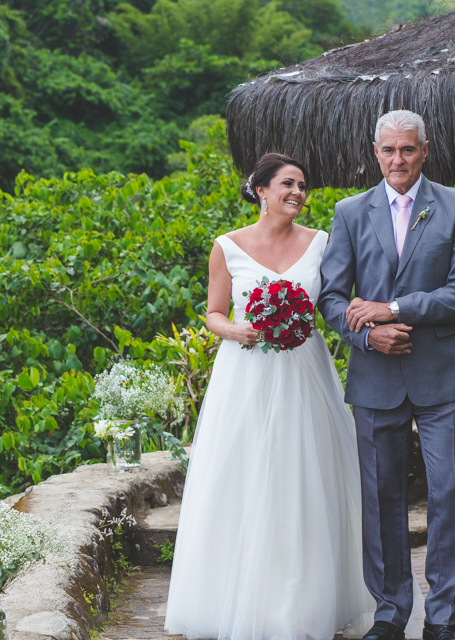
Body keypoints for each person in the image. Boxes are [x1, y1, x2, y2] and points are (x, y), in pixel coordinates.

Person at [165, 152, 424, 640]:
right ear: (261, 190)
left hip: (306, 373)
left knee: (308, 479)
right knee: (245, 481)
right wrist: (236, 331)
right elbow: (213, 313)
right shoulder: (227, 246)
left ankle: (306, 604)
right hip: (246, 376)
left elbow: (332, 301)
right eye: (288, 184)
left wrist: (372, 316)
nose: (298, 194)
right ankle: (242, 601)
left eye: (303, 186)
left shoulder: (321, 242)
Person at [319, 110, 455, 640]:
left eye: (408, 150)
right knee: (381, 494)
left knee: (446, 492)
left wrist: (391, 308)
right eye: (389, 151)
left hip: (443, 374)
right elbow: (330, 298)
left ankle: (442, 619)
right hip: (375, 375)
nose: (398, 160)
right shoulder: (348, 212)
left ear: (425, 150)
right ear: (375, 152)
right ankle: (390, 612)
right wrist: (368, 336)